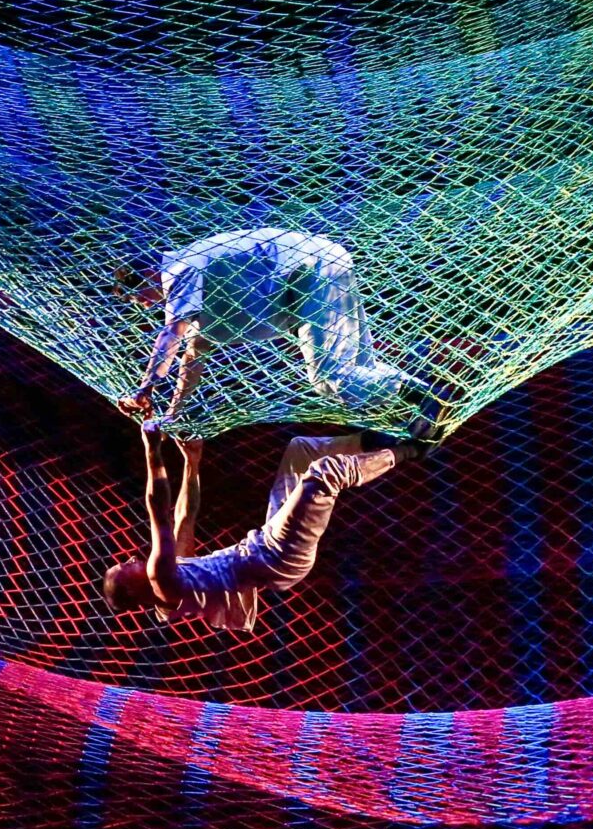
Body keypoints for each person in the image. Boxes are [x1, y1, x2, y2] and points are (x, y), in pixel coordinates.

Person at [113, 228, 433, 433]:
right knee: (360, 369)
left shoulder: (180, 270)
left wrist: (144, 391)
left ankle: (424, 397)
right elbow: (192, 357)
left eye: (135, 295)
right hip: (328, 262)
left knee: (328, 379)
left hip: (309, 275)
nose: (141, 304)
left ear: (146, 273)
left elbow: (172, 335)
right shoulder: (203, 290)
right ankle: (421, 406)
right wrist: (173, 414)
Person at [101, 421, 408, 631]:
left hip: (265, 542)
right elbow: (158, 510)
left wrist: (192, 461)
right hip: (276, 557)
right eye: (123, 568)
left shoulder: (176, 575)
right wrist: (151, 449)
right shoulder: (162, 583)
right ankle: (409, 449)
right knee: (323, 475)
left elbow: (183, 515)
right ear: (131, 589)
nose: (129, 559)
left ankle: (373, 441)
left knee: (300, 451)